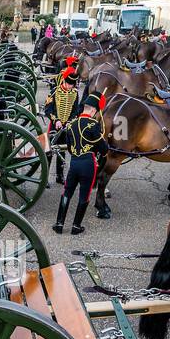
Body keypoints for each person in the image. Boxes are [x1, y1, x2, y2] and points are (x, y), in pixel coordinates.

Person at [52, 92, 107, 235]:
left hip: (74, 163)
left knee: (67, 192)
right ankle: (76, 226)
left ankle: (59, 224)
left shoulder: (71, 125)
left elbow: (70, 148)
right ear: (94, 110)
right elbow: (103, 149)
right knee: (84, 195)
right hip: (88, 164)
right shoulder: (94, 124)